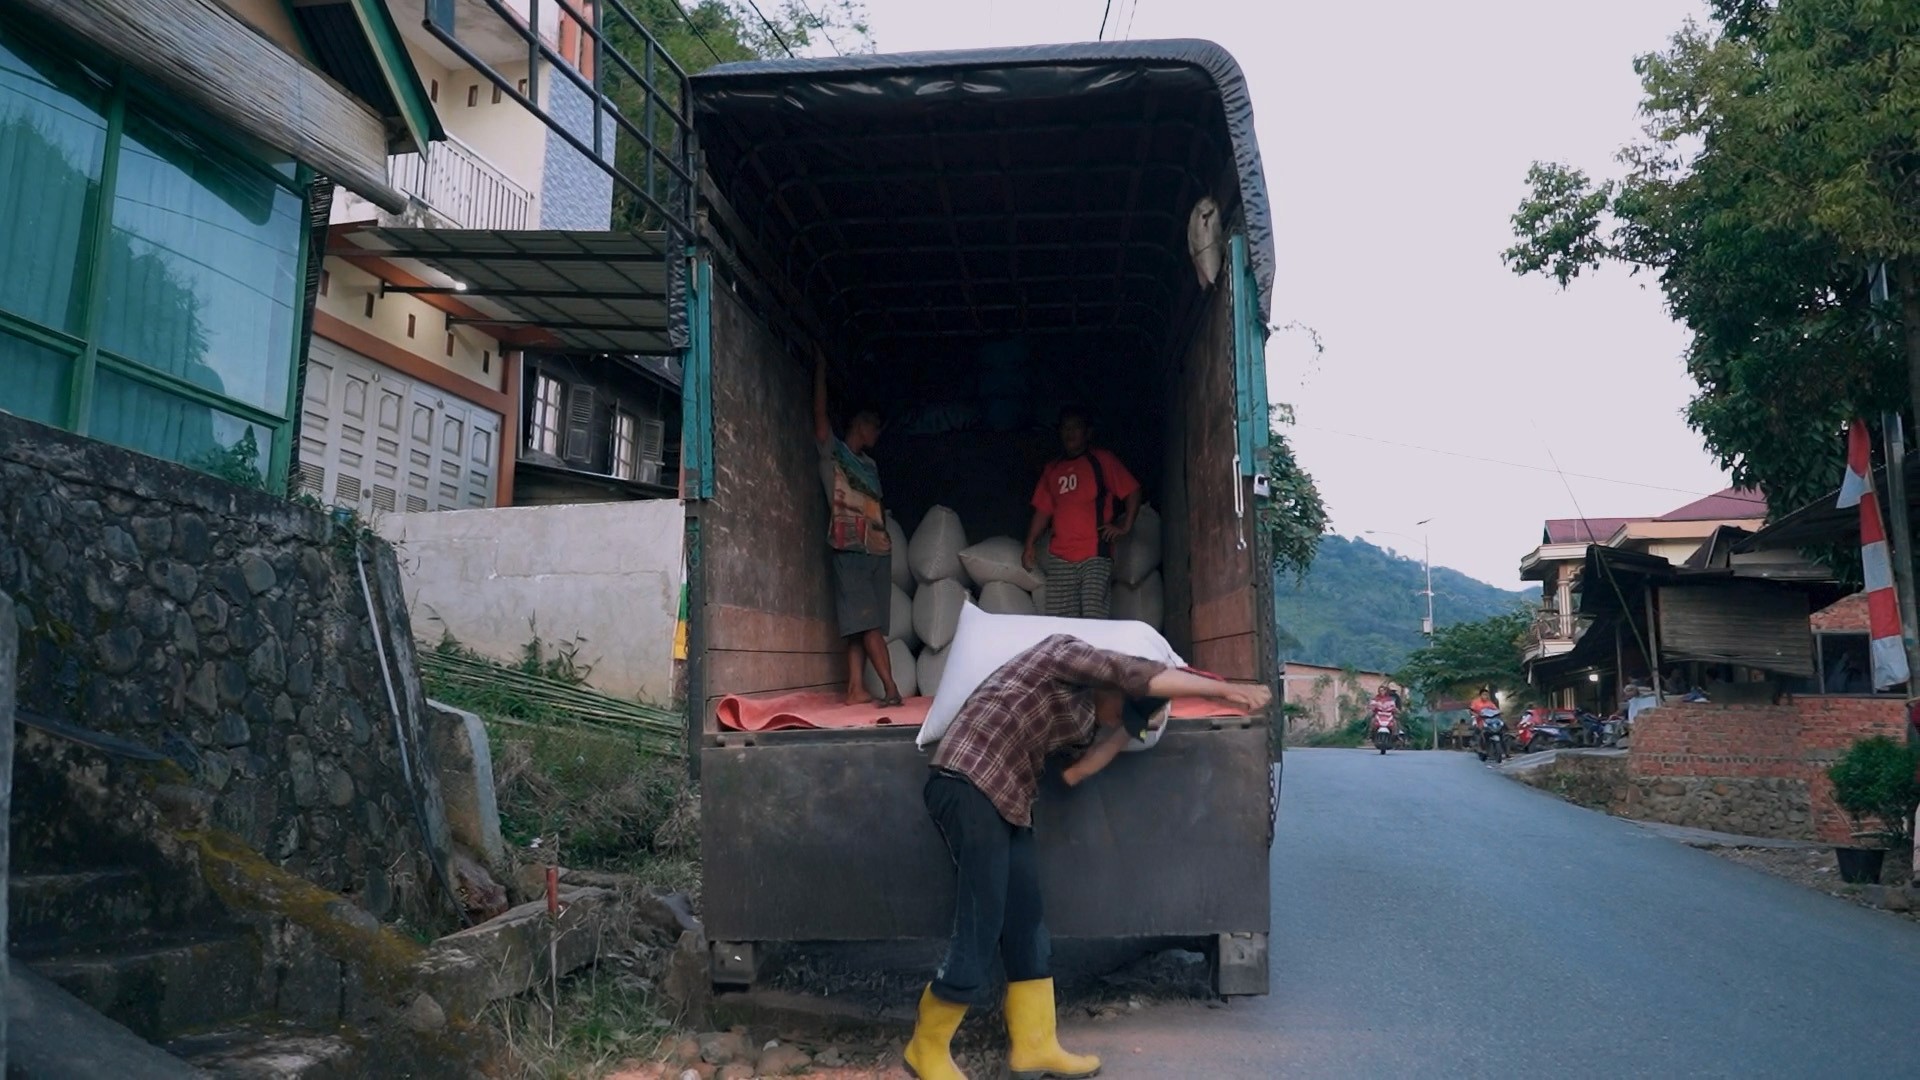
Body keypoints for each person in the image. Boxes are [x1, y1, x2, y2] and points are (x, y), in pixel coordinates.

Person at [905, 635, 1271, 1080]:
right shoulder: (1064, 655)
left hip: (1008, 802)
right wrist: (1224, 690)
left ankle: (1034, 1046)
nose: (1116, 718)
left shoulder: (1081, 721)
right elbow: (1132, 673)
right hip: (966, 779)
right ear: (1114, 684)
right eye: (1125, 706)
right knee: (983, 919)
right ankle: (927, 1048)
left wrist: (1130, 726)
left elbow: (1078, 772)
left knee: (1026, 924)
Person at [813, 350, 900, 706]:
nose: (877, 432)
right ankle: (891, 688)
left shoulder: (871, 465)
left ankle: (855, 690)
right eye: (874, 425)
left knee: (860, 626)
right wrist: (820, 369)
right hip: (850, 550)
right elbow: (819, 413)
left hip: (877, 551)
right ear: (859, 425)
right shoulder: (832, 454)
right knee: (868, 625)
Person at [1021, 406, 1142, 620]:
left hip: (1094, 554)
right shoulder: (1053, 469)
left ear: (1088, 433)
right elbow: (1043, 510)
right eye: (1065, 428)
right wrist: (1030, 543)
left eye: (1076, 427)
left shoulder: (1102, 460)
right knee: (1062, 624)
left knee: (1093, 618)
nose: (1070, 432)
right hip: (1060, 556)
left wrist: (1126, 526)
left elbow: (1132, 490)